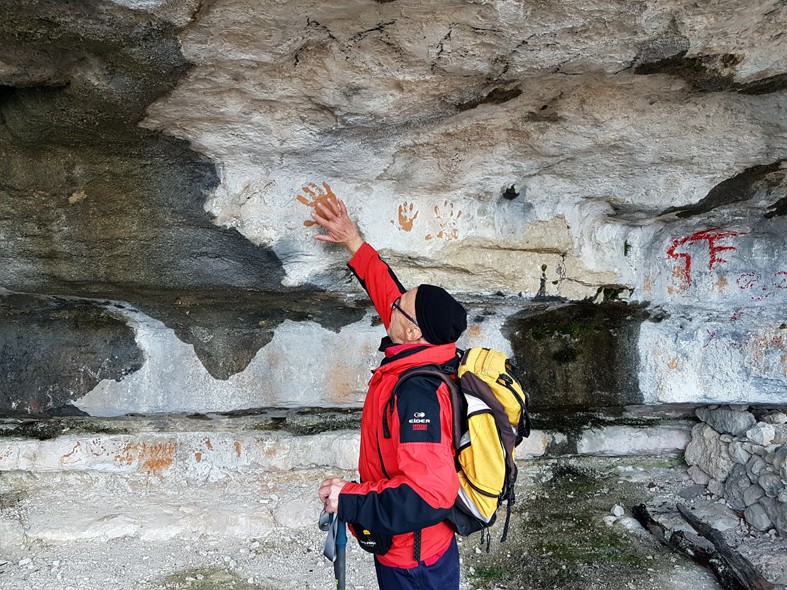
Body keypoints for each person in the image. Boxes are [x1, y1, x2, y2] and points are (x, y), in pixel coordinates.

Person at [313, 195, 467, 590]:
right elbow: (388, 293)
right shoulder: (426, 350)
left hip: (414, 561)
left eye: (400, 307)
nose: (391, 306)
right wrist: (353, 241)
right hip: (420, 550)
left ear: (413, 332)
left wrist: (349, 500)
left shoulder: (418, 394)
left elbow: (429, 496)